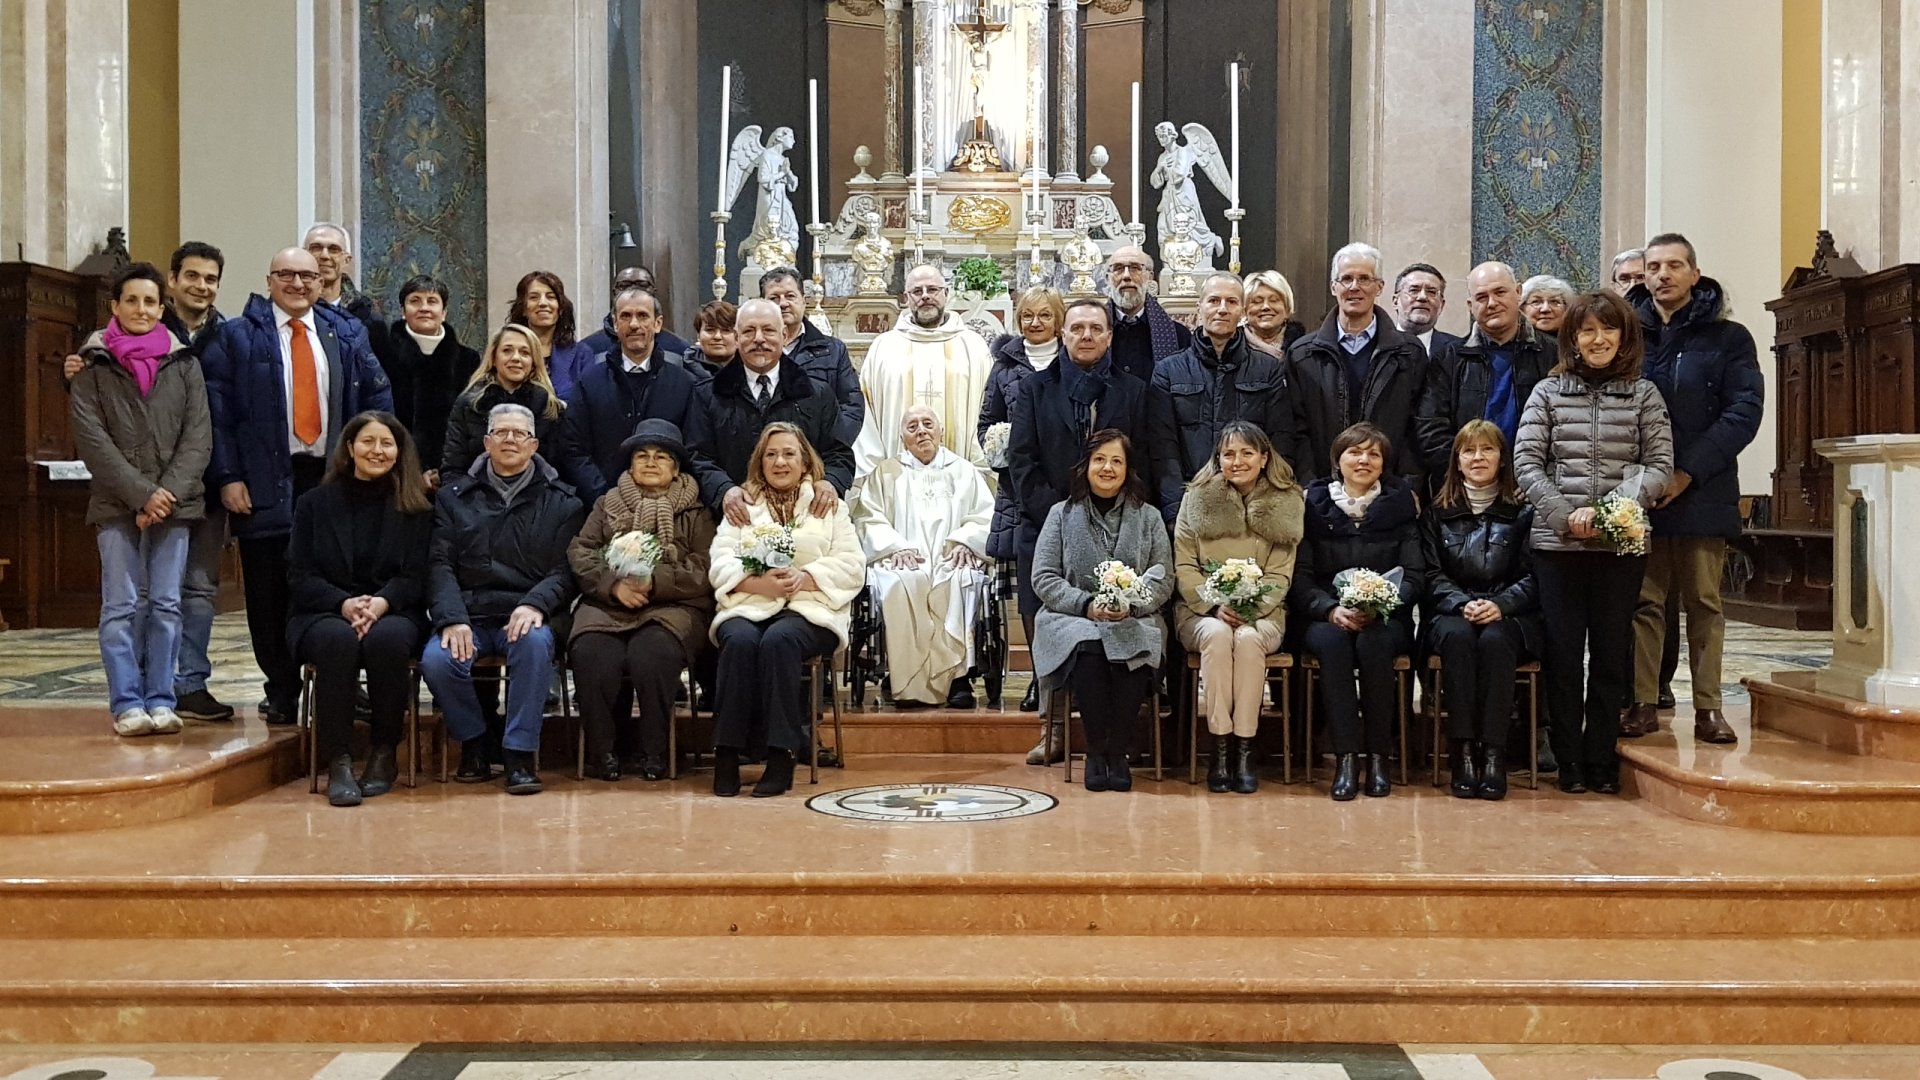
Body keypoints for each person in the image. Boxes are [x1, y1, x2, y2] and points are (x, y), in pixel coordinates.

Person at [201, 247, 393, 724]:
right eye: (286, 274)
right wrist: (229, 477)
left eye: (307, 275)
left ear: (322, 280)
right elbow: (217, 418)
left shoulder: (344, 332)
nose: (298, 283)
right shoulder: (236, 338)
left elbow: (378, 393)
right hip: (263, 479)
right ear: (269, 280)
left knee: (334, 582)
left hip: (333, 478)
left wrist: (369, 456)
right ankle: (281, 688)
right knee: (267, 593)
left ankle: (338, 681)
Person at [61, 241, 233, 723]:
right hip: (117, 504)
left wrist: (165, 495)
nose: (142, 309)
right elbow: (93, 442)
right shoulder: (92, 368)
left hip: (176, 505)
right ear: (115, 306)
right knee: (121, 605)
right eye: (131, 300)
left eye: (150, 302)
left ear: (163, 308)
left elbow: (198, 438)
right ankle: (127, 703)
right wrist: (141, 493)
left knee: (166, 604)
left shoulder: (185, 365)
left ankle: (161, 699)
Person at [1515, 290, 1673, 796]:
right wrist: (1567, 518)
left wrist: (1608, 514)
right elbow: (1526, 465)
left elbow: (1659, 467)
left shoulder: (1645, 394)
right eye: (1587, 330)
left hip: (1619, 547)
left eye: (1608, 329)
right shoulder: (1547, 392)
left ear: (1624, 337)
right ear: (1573, 339)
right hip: (1558, 547)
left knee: (1610, 657)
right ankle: (1569, 763)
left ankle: (1601, 757)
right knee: (1563, 658)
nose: (1598, 339)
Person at [1624, 233, 1765, 745]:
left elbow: (1743, 412)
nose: (1662, 275)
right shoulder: (1627, 334)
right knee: (1645, 601)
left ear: (1695, 274)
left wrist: (1688, 472)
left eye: (1674, 266)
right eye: (1654, 266)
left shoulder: (1728, 337)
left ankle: (1708, 707)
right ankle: (1643, 700)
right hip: (1640, 491)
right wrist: (1647, 479)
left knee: (1704, 601)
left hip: (1702, 488)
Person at [1009, 299, 1158, 762]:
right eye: (1078, 328)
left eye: (1097, 328)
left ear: (1110, 336)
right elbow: (1021, 460)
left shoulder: (1133, 390)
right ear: (1063, 335)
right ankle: (1052, 728)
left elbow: (1146, 459)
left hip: (1118, 526)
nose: (1087, 335)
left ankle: (1122, 730)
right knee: (1048, 623)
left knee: (1120, 627)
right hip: (1046, 522)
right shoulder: (1035, 388)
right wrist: (1062, 516)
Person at [422, 403, 584, 795]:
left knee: (533, 645)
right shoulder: (453, 499)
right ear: (486, 442)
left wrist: (536, 605)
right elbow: (439, 565)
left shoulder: (565, 503)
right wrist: (452, 618)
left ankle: (519, 753)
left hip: (530, 612)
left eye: (519, 434)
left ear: (534, 445)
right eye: (502, 433)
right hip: (470, 613)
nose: (510, 440)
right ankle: (476, 741)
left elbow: (565, 572)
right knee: (438, 660)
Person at [707, 423, 865, 798]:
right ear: (759, 463)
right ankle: (726, 754)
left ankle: (782, 755)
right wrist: (754, 583)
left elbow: (852, 564)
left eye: (789, 453)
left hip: (812, 608)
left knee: (780, 640)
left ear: (805, 460)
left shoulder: (828, 505)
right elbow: (719, 562)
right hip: (750, 603)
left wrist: (806, 577)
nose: (780, 462)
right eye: (771, 455)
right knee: (740, 640)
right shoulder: (742, 505)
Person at [287, 412, 434, 806]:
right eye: (367, 442)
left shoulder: (417, 508)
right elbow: (299, 575)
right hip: (325, 609)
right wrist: (344, 603)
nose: (377, 450)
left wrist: (382, 601)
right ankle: (339, 760)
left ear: (399, 452)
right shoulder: (312, 504)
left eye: (387, 443)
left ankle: (385, 753)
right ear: (350, 448)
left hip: (394, 608)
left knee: (388, 641)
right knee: (337, 641)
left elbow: (418, 576)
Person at [566, 419, 715, 781]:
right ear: (629, 465)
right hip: (608, 604)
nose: (651, 462)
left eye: (661, 456)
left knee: (652, 654)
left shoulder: (697, 511)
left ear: (676, 468)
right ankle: (604, 752)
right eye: (642, 456)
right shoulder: (607, 504)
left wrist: (655, 582)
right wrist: (613, 586)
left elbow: (705, 565)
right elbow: (581, 551)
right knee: (591, 653)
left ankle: (655, 750)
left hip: (672, 607)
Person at [1030, 430, 1175, 792]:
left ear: (1128, 469)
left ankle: (1118, 752)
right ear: (1086, 465)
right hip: (1072, 618)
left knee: (1130, 643)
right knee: (1091, 646)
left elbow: (1163, 575)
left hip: (1134, 615)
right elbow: (1044, 577)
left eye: (1116, 461)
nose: (1107, 468)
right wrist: (1086, 605)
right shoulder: (1060, 515)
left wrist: (1132, 602)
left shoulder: (1150, 517)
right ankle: (1097, 751)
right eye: (1099, 459)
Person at [1292, 422, 1426, 801]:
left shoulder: (1401, 508)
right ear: (1338, 460)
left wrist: (1382, 602)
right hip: (1326, 617)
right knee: (1332, 645)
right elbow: (1300, 578)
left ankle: (1379, 757)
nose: (1363, 460)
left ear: (1384, 463)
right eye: (1355, 452)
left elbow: (1414, 575)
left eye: (1373, 453)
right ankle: (1346, 759)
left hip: (1385, 618)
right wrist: (1330, 609)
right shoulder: (1312, 507)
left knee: (1374, 645)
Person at [1173, 422, 1303, 794]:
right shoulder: (1196, 498)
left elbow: (1280, 575)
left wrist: (1249, 608)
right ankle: (1220, 747)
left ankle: (1245, 748)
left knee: (1247, 639)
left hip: (1263, 614)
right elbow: (1184, 565)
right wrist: (1214, 605)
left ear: (1264, 458)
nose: (1237, 461)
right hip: (1201, 612)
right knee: (1217, 635)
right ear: (1218, 459)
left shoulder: (1287, 501)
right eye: (1228, 453)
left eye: (1247, 452)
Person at [1421, 420, 1542, 800]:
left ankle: (1493, 753)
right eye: (1469, 451)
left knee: (1494, 641)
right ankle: (1461, 752)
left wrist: (1500, 605)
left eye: (1487, 450)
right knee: (1457, 639)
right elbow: (1429, 573)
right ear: (1457, 461)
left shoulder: (1524, 512)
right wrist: (1461, 602)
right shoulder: (1437, 512)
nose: (1478, 458)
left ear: (1502, 458)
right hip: (1450, 611)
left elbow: (1535, 576)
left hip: (1509, 614)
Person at [850, 406, 993, 708]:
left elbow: (984, 515)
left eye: (928, 424)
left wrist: (965, 542)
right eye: (911, 426)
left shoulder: (964, 470)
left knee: (961, 578)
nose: (921, 431)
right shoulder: (885, 473)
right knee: (901, 583)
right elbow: (868, 518)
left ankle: (957, 678)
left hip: (951, 557)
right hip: (902, 559)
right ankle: (907, 679)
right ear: (902, 438)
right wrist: (894, 547)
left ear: (941, 432)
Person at [692, 299, 853, 527]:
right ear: (737, 338)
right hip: (735, 520)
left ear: (784, 335)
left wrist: (831, 482)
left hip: (805, 522)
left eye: (768, 330)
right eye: (749, 331)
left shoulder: (816, 393)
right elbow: (698, 456)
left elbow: (839, 452)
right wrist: (724, 490)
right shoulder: (708, 394)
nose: (759, 339)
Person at [1149, 273, 1294, 522]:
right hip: (1190, 502)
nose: (1222, 310)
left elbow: (1280, 440)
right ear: (1200, 307)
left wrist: (1264, 502)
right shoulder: (1168, 371)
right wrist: (1175, 510)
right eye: (1214, 301)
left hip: (1251, 504)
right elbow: (1163, 449)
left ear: (1244, 310)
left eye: (1231, 302)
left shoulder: (1268, 369)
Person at [982, 285, 1063, 712]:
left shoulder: (1071, 359)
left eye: (1044, 315)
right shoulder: (1005, 366)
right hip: (1020, 493)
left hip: (1068, 491)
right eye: (1027, 316)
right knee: (1030, 594)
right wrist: (1001, 450)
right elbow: (987, 423)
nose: (1035, 323)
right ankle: (1037, 676)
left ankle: (1063, 674)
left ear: (1059, 319)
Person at [1286, 242, 1427, 488]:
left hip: (1389, 489)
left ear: (1379, 286)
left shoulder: (1409, 352)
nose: (1354, 287)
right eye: (1346, 279)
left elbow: (1416, 425)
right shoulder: (1302, 355)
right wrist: (1309, 485)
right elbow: (1297, 429)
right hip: (1322, 489)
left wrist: (1407, 485)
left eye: (1364, 279)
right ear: (1333, 287)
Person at [557, 285, 708, 503]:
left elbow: (694, 449)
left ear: (657, 324)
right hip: (602, 506)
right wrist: (603, 496)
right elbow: (573, 448)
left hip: (670, 507)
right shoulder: (589, 382)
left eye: (642, 316)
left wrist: (670, 496)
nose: (634, 324)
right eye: (625, 316)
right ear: (615, 324)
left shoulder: (684, 383)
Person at [852, 264, 993, 478]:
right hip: (897, 479)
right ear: (906, 298)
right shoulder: (884, 348)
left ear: (946, 293)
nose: (925, 296)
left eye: (932, 289)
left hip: (963, 477)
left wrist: (979, 468)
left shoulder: (973, 347)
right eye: (917, 291)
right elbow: (866, 415)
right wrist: (876, 471)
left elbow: (988, 408)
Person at [1416, 261, 1553, 478]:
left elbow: (1566, 429)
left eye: (1500, 292)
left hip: (1533, 487)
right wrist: (1466, 473)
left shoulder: (1553, 355)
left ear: (1518, 293)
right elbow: (1430, 429)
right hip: (1465, 488)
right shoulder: (1448, 358)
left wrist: (1536, 479)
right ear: (1470, 306)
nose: (1492, 303)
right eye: (1481, 297)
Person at [376, 274, 476, 488]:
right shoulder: (382, 356)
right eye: (415, 301)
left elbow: (471, 422)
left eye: (432, 301)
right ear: (403, 311)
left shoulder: (468, 360)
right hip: (393, 472)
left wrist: (445, 470)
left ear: (444, 312)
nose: (424, 308)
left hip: (452, 474)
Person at [442, 323, 563, 477]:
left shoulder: (550, 408)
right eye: (507, 351)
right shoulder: (469, 404)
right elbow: (453, 467)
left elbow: (559, 467)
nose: (516, 358)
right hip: (474, 495)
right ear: (493, 357)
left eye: (525, 353)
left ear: (533, 362)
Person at [762, 266, 863, 448]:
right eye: (774, 298)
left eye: (790, 296)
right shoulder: (752, 351)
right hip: (766, 456)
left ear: (803, 300)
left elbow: (851, 406)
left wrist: (833, 448)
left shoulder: (833, 351)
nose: (783, 303)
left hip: (819, 457)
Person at [1104, 245, 1191, 385]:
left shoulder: (1178, 335)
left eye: (1135, 268)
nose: (1126, 276)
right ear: (1108, 278)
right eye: (1118, 269)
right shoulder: (1093, 333)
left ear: (1149, 277)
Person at [510, 271, 596, 402]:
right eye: (534, 297)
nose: (543, 303)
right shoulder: (508, 353)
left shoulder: (582, 355)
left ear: (560, 308)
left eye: (551, 297)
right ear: (523, 309)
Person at [579, 265, 691, 360]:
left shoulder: (679, 349)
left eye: (642, 285)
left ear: (654, 291)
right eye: (624, 286)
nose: (632, 291)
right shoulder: (587, 349)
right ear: (614, 292)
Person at [305, 223, 378, 335]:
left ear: (347, 260)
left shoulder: (366, 315)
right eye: (316, 248)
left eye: (334, 249)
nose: (325, 256)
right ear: (303, 255)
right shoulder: (285, 306)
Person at [1392, 262, 1462, 356]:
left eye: (1431, 292)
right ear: (1395, 301)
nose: (1423, 297)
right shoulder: (1375, 345)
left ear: (1441, 304)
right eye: (1413, 290)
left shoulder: (1460, 352)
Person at [1241, 269, 1305, 359]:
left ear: (1287, 308)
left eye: (1274, 300)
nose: (1266, 307)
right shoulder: (1230, 348)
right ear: (1244, 310)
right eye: (1257, 301)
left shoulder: (1304, 349)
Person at [687, 299, 738, 380]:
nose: (717, 336)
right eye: (710, 330)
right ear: (698, 335)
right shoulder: (680, 373)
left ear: (738, 337)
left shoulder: (752, 373)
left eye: (726, 330)